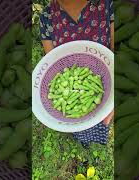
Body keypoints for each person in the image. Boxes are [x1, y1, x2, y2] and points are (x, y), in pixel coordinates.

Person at [39, 0, 114, 147]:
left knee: (103, 121)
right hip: (81, 90)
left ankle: (99, 140)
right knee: (81, 127)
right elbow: (54, 62)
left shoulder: (108, 4)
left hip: (107, 84)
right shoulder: (47, 15)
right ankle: (85, 142)